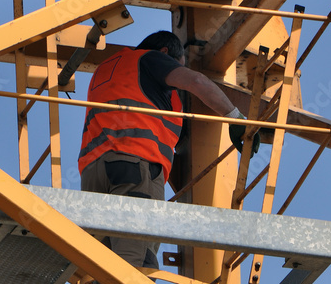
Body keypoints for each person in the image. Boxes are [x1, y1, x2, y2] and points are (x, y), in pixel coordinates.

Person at [78, 31, 259, 268]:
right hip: (134, 167)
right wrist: (235, 117)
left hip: (93, 173)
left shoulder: (109, 68)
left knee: (102, 265)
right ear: (164, 53)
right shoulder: (151, 59)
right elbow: (197, 82)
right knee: (136, 264)